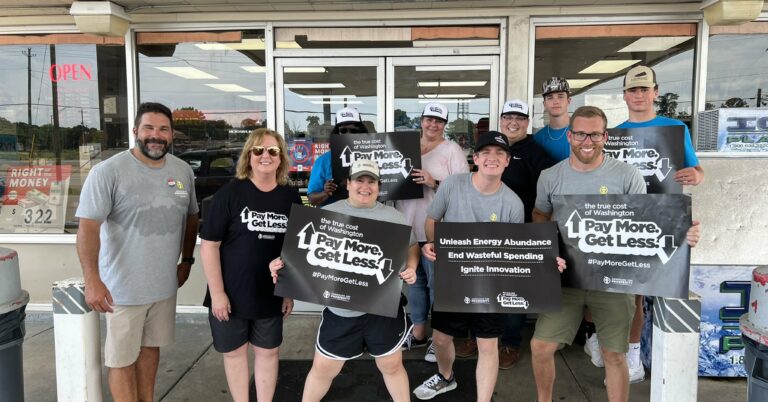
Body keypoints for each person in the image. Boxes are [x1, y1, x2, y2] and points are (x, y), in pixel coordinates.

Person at [530, 106, 701, 402]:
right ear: (570, 136)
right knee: (540, 346)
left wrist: (681, 234)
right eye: (581, 133)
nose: (587, 140)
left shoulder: (627, 174)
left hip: (613, 280)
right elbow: (539, 214)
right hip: (566, 280)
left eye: (595, 134)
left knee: (615, 354)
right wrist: (548, 249)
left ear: (605, 137)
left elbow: (645, 223)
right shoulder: (550, 176)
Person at [413, 132, 565, 401]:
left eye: (499, 154)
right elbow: (432, 219)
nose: (492, 158)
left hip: (492, 283)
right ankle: (446, 377)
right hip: (454, 278)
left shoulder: (513, 204)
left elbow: (517, 250)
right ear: (476, 158)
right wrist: (432, 243)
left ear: (507, 161)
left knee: (487, 344)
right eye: (486, 153)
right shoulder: (451, 185)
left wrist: (546, 260)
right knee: (440, 339)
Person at [582, 65, 706, 383]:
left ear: (655, 92)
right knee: (620, 291)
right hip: (623, 221)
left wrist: (698, 175)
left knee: (652, 293)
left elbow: (696, 170)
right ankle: (614, 347)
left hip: (663, 217)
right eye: (632, 90)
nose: (638, 95)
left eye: (644, 89)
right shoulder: (614, 135)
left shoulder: (676, 128)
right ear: (624, 95)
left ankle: (635, 358)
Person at [76, 102, 199, 402]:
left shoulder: (182, 170)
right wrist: (92, 280)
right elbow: (88, 228)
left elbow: (191, 218)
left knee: (150, 350)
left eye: (163, 129)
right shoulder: (108, 172)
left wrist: (187, 260)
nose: (155, 135)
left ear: (172, 135)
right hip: (122, 290)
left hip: (163, 285)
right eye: (149, 128)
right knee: (121, 359)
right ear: (135, 131)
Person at [270, 159, 420, 402]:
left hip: (383, 310)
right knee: (323, 370)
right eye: (359, 180)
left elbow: (412, 245)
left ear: (379, 186)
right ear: (348, 183)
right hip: (341, 311)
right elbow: (300, 252)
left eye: (371, 181)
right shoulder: (328, 213)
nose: (365, 186)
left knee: (391, 367)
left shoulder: (394, 216)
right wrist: (279, 264)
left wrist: (411, 266)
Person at [200, 128, 301, 402]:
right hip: (231, 292)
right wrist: (217, 293)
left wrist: (289, 290)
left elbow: (293, 249)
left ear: (281, 158)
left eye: (272, 151)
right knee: (234, 353)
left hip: (271, 292)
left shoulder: (289, 197)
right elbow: (209, 245)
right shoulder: (229, 194)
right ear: (248, 156)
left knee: (268, 352)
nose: (265, 156)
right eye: (258, 150)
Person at [396, 102, 469, 363]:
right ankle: (418, 334)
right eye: (429, 119)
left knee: (439, 289)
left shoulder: (452, 150)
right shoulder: (404, 147)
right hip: (407, 228)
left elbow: (464, 191)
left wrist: (434, 182)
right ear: (421, 120)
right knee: (414, 285)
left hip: (436, 231)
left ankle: (439, 340)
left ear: (445, 124)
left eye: (439, 121)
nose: (433, 124)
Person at [497, 99, 555, 369]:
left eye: (519, 117)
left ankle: (510, 342)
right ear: (500, 119)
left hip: (521, 232)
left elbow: (549, 195)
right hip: (487, 231)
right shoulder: (493, 147)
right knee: (481, 285)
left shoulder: (536, 152)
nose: (513, 122)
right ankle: (479, 336)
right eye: (508, 116)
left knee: (512, 291)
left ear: (527, 122)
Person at [306, 107, 369, 207]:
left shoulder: (372, 157)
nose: (348, 134)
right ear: (336, 133)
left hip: (365, 216)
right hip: (333, 220)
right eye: (343, 130)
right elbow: (312, 199)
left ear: (361, 132)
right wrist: (326, 192)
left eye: (353, 131)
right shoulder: (323, 161)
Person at [533, 77, 572, 161]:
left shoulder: (583, 133)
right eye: (550, 97)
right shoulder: (537, 139)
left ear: (568, 101)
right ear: (544, 104)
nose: (556, 101)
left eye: (560, 96)